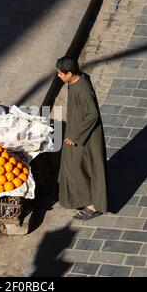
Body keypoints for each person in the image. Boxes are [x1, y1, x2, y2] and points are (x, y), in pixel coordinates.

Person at [56, 56, 108, 220]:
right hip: (77, 132)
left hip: (85, 137)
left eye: (60, 73)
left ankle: (92, 206)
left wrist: (76, 135)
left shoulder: (82, 89)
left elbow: (92, 114)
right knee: (74, 167)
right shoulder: (76, 82)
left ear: (70, 73)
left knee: (80, 168)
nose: (59, 76)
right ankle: (81, 198)